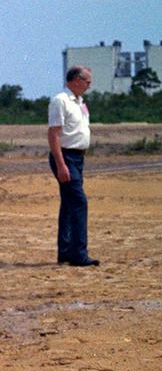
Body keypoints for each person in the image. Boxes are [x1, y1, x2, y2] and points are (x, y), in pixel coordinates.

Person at [48, 66, 97, 266]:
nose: (89, 85)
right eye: (87, 81)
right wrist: (61, 164)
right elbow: (54, 134)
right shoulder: (60, 100)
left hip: (78, 158)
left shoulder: (80, 102)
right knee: (79, 203)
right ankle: (79, 253)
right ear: (76, 79)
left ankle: (66, 251)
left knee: (69, 204)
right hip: (65, 157)